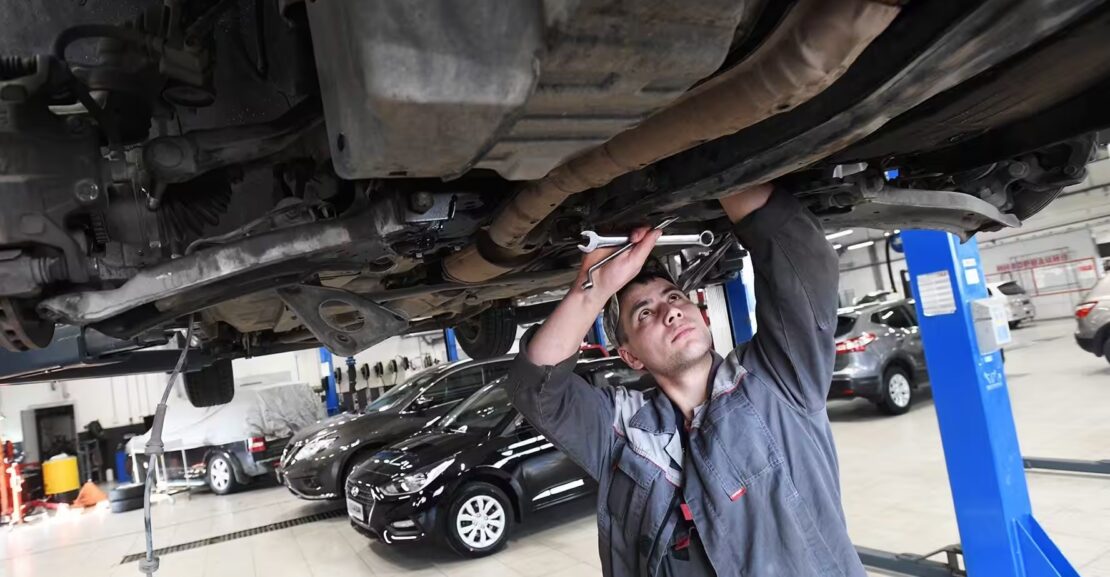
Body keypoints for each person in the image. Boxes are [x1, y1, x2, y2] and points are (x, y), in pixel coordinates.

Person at [505, 183, 862, 576]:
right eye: (644, 313)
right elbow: (536, 389)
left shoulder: (775, 379)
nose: (670, 312)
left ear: (700, 313)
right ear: (630, 357)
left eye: (674, 297)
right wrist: (592, 290)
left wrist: (721, 172)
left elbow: (801, 261)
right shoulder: (623, 434)